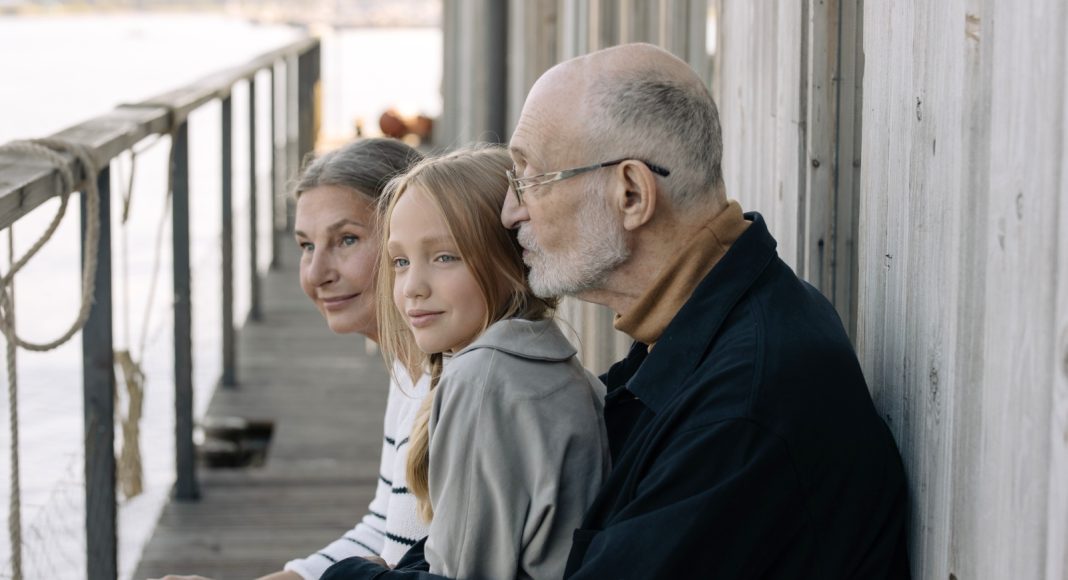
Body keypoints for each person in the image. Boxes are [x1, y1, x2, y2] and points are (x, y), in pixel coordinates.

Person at [325, 43, 910, 579]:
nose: (509, 212)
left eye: (531, 179)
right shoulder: (704, 332)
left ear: (630, 193)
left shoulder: (743, 410)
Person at [155, 138, 430, 580]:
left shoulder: (453, 385)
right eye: (305, 245)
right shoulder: (409, 368)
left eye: (346, 240)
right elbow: (384, 529)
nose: (317, 273)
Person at [374, 145, 608, 578]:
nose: (411, 287)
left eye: (445, 256)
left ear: (513, 259)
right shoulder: (554, 367)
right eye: (400, 262)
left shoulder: (484, 380)